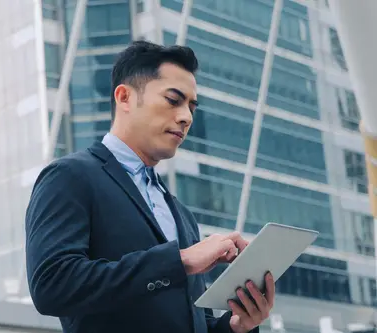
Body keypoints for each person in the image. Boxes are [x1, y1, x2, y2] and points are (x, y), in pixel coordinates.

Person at [24, 40, 275, 333]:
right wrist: (180, 261)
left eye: (192, 107)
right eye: (173, 100)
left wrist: (237, 326)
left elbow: (194, 323)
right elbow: (51, 285)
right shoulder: (70, 176)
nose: (186, 117)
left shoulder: (180, 213)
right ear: (125, 97)